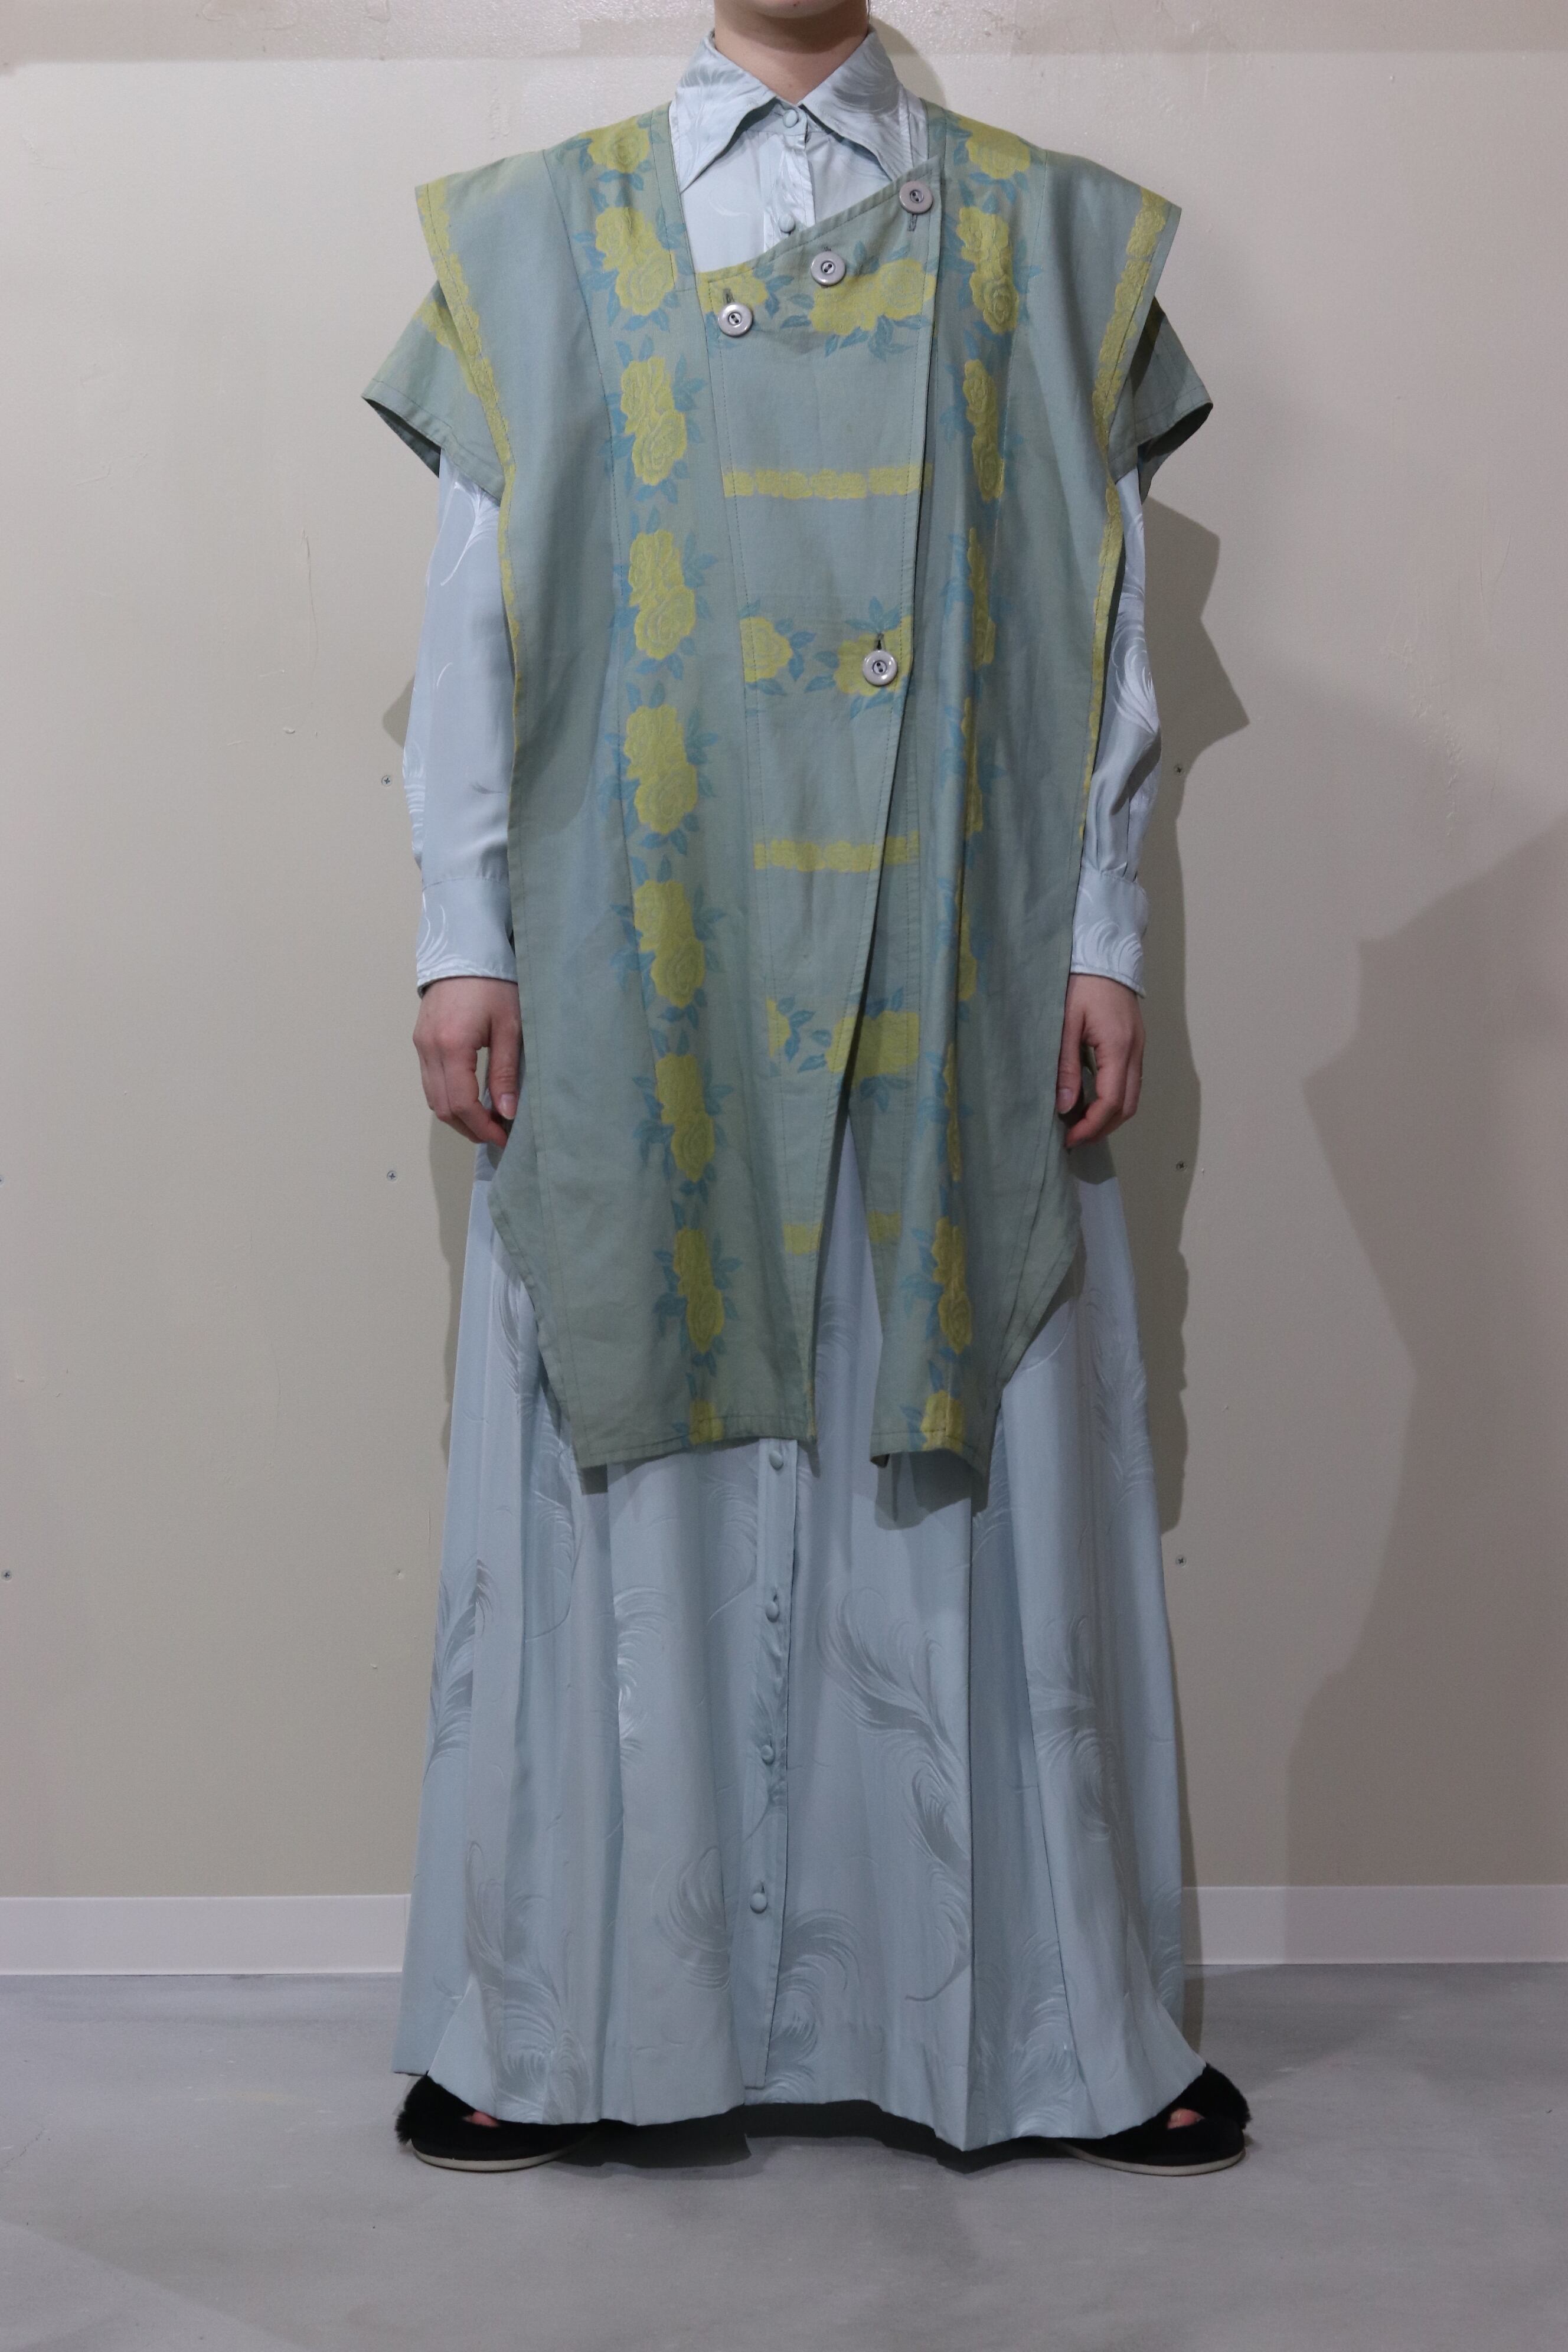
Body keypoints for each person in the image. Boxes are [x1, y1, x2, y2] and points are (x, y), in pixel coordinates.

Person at [365, 0, 1249, 2178]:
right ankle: (563, 2022)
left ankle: (1034, 2027)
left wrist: (1102, 927)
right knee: (633, 1414)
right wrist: (463, 931)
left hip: (951, 941)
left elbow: (1104, 626)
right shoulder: (536, 235)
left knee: (951, 1424)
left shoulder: (1049, 238)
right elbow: (472, 619)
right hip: (638, 930)